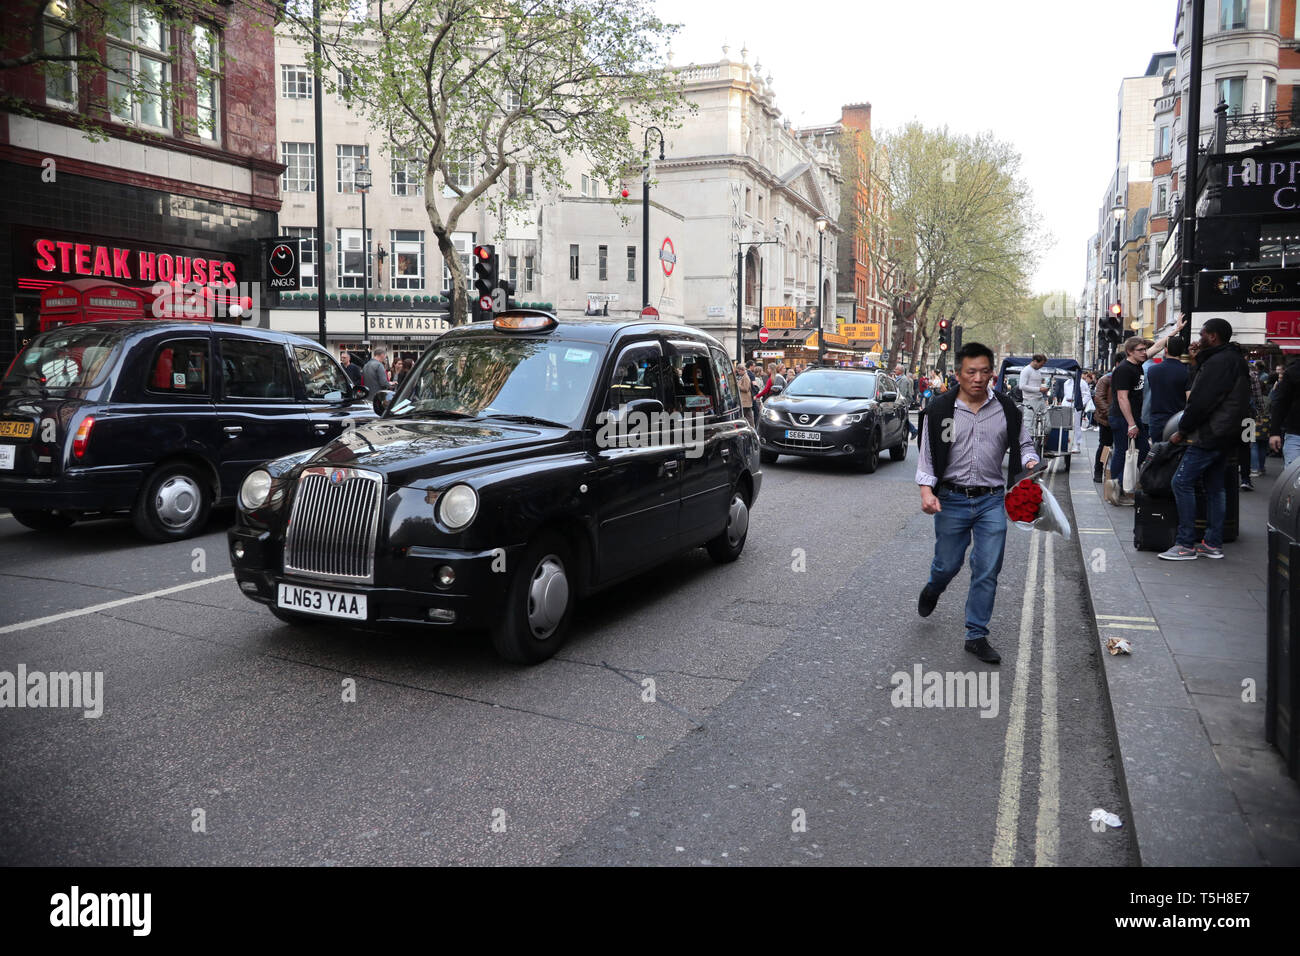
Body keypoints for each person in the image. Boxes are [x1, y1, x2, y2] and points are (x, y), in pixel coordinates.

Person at [915, 341, 1040, 665]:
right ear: (958, 374)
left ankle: (976, 634)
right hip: (951, 500)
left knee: (987, 569)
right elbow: (928, 458)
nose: (978, 378)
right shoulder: (941, 410)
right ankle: (934, 587)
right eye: (971, 372)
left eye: (985, 371)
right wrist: (926, 492)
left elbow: (1024, 444)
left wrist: (1029, 462)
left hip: (991, 501)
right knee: (948, 565)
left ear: (993, 374)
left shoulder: (1006, 410)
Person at [1160, 318, 1250, 561]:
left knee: (1181, 482)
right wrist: (1197, 360)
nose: (1198, 338)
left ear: (1213, 336)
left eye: (1202, 334)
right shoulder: (1231, 359)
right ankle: (1212, 543)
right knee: (1214, 488)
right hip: (1227, 433)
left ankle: (1185, 544)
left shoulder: (1220, 362)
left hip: (1210, 433)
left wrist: (1183, 430)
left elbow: (1202, 400)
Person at [1108, 336, 1153, 500]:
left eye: (1144, 349)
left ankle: (1117, 484)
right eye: (1140, 350)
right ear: (1130, 352)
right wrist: (1131, 424)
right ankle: (1115, 487)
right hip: (1122, 418)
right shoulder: (1124, 370)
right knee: (1121, 451)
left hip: (1133, 417)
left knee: (1144, 451)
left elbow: (1156, 349)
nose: (1144, 352)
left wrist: (1174, 331)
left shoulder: (1138, 364)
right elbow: (1122, 398)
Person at [1145, 335, 1189, 443]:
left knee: (1158, 452)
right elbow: (1190, 399)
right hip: (1178, 419)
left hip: (1157, 418)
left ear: (1165, 350)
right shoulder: (1187, 372)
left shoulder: (1152, 370)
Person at [1270, 354, 1300, 465]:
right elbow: (1280, 403)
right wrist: (1274, 432)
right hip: (1296, 434)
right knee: (1294, 479)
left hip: (1295, 434)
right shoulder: (1294, 371)